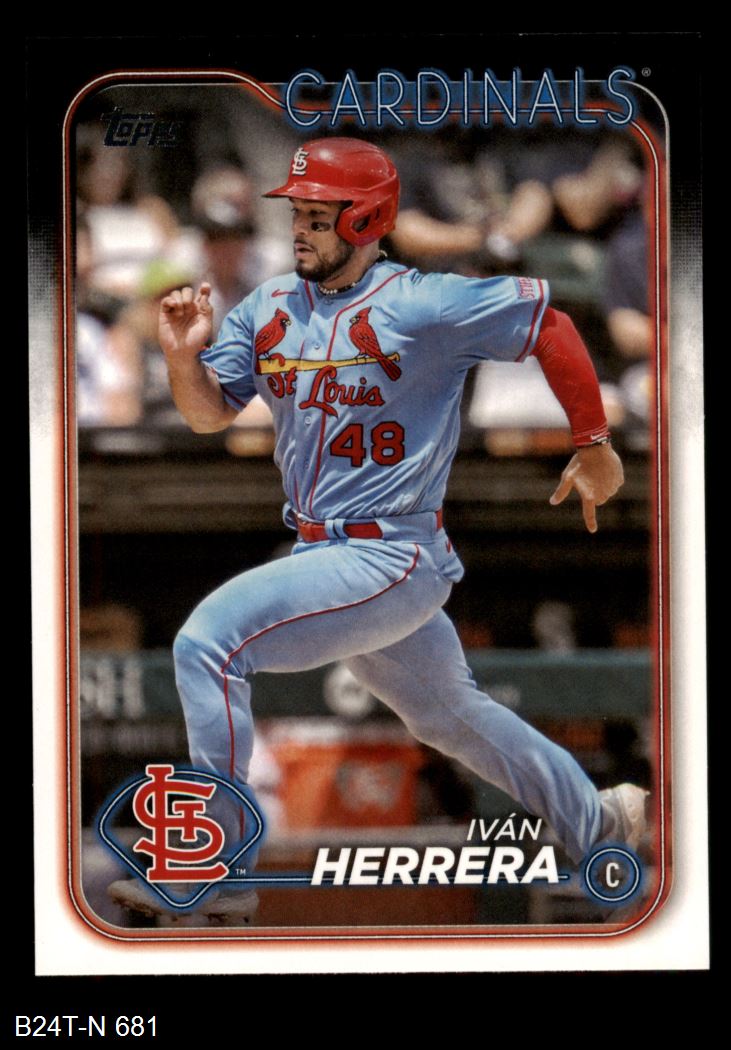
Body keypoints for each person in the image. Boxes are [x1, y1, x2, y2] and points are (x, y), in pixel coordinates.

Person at [110, 137, 648, 926]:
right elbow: (206, 414)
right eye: (296, 214)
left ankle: (217, 875)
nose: (298, 230)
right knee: (449, 717)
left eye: (316, 216)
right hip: (323, 549)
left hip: (391, 550)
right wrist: (183, 359)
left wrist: (592, 442)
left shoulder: (423, 303)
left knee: (206, 643)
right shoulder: (268, 306)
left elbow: (549, 322)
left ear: (364, 220)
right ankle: (597, 820)